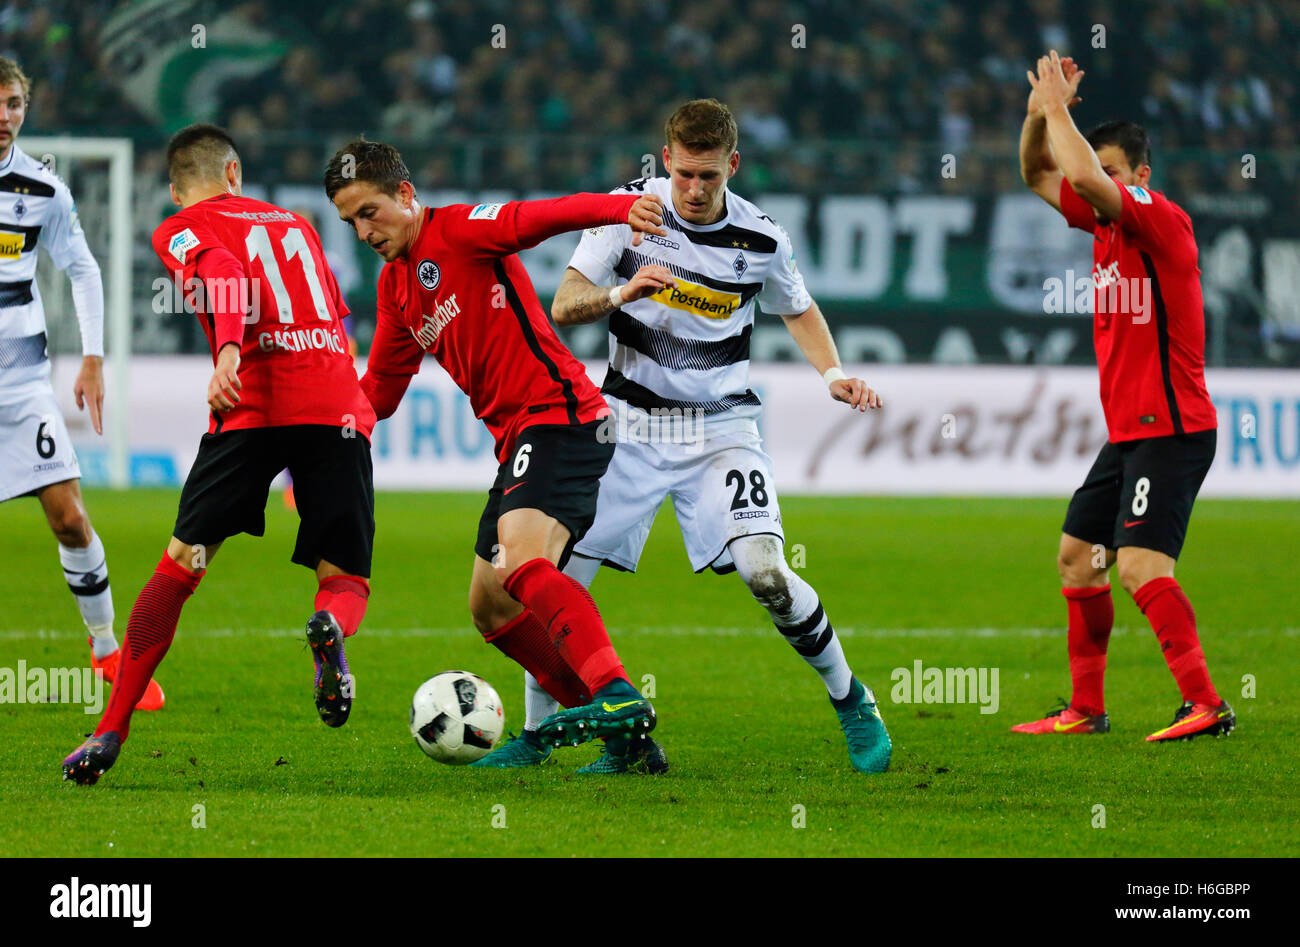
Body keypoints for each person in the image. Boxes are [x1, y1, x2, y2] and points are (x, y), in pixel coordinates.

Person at [473, 98, 892, 775]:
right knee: (551, 577)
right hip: (625, 429)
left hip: (721, 429)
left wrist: (833, 372)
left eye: (710, 177)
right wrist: (620, 294)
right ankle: (545, 733)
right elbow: (564, 302)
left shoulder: (761, 238)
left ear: (732, 165)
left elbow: (800, 307)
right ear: (665, 159)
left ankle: (852, 699)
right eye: (684, 174)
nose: (694, 192)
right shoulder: (628, 213)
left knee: (767, 574)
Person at [324, 138, 667, 753]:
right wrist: (328, 427)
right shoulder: (396, 288)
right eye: (350, 222)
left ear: (405, 195)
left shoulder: (459, 230)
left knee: (525, 561)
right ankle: (629, 745)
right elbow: (379, 388)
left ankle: (616, 692)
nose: (363, 231)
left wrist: (618, 210)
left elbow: (540, 216)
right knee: (491, 606)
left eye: (369, 212)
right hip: (516, 439)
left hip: (561, 417)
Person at [63, 124, 377, 785]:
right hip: (334, 403)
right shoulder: (298, 224)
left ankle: (109, 730)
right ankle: (327, 624)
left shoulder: (181, 226)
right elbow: (339, 317)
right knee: (343, 576)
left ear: (179, 190)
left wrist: (230, 348)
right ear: (235, 173)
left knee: (181, 566)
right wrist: (351, 400)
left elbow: (226, 273)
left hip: (254, 405)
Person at [1014, 51, 1233, 742]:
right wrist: (1033, 119)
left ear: (1140, 176)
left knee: (1138, 564)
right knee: (1080, 557)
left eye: (1115, 174)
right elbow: (1040, 172)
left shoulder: (1160, 220)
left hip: (1173, 427)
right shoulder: (1106, 230)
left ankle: (1206, 703)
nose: (1099, 185)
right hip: (1132, 431)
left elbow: (1076, 169)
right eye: (1101, 171)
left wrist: (1057, 110)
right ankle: (1085, 709)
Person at [0, 57, 163, 711]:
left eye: (12, 103)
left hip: (21, 382)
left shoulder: (43, 189)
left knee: (68, 515)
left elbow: (82, 267)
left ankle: (104, 647)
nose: (4, 115)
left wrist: (93, 357)